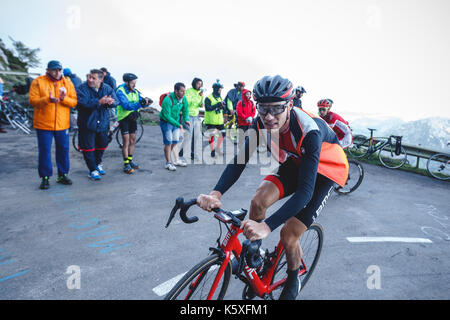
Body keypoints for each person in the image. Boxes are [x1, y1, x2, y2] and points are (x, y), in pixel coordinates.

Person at [196, 75, 348, 300]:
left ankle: (293, 278)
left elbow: (305, 192)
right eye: (263, 108)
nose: (268, 116)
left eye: (276, 109)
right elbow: (240, 160)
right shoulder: (260, 122)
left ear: (289, 105)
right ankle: (256, 255)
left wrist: (266, 227)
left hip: (327, 171)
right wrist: (215, 193)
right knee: (258, 201)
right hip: (298, 161)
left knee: (289, 233)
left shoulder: (308, 131)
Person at [29, 60, 78, 189]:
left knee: (63, 150)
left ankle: (62, 175)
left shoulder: (67, 82)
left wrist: (63, 99)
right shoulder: (38, 81)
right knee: (44, 151)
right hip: (43, 124)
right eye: (54, 70)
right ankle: (45, 177)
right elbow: (33, 101)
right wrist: (47, 99)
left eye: (59, 70)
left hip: (62, 124)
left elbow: (73, 102)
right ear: (48, 70)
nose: (57, 73)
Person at [76, 69, 119, 180]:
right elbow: (83, 103)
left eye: (93, 78)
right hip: (87, 123)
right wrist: (99, 102)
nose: (90, 80)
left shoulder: (107, 88)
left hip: (103, 122)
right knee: (88, 148)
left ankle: (98, 163)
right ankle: (92, 170)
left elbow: (116, 101)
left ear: (101, 79)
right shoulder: (82, 88)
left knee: (102, 144)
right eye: (89, 77)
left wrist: (111, 102)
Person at [116, 73, 151, 174]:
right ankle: (126, 164)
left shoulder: (135, 91)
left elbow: (140, 101)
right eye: (132, 83)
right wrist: (140, 103)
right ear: (126, 82)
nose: (134, 85)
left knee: (132, 140)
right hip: (124, 118)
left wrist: (146, 102)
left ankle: (130, 161)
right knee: (126, 141)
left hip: (133, 118)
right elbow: (126, 105)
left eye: (135, 83)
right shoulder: (120, 91)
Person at [159, 82, 190, 171]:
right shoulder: (167, 100)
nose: (184, 93)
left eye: (184, 91)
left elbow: (185, 110)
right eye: (181, 91)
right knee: (168, 142)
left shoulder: (183, 99)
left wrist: (186, 119)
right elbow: (167, 116)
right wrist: (178, 124)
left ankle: (171, 157)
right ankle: (168, 162)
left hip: (176, 122)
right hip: (166, 122)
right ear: (176, 91)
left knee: (175, 141)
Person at [204, 80, 232, 157]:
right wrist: (217, 104)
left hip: (219, 121)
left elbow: (222, 107)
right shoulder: (208, 98)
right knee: (212, 135)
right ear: (215, 89)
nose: (220, 91)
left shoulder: (220, 97)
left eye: (221, 89)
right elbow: (207, 108)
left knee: (223, 134)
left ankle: (217, 148)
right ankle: (212, 150)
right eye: (219, 89)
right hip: (211, 121)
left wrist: (223, 107)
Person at [179, 77, 204, 162]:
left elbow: (200, 105)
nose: (199, 86)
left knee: (196, 136)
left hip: (196, 116)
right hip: (188, 115)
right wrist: (198, 96)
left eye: (201, 84)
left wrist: (201, 99)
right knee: (188, 135)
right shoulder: (189, 91)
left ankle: (193, 154)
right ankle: (180, 153)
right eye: (198, 84)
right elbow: (187, 102)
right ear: (194, 83)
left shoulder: (200, 93)